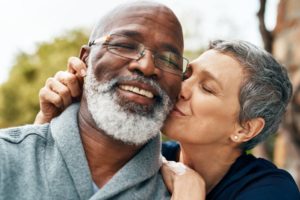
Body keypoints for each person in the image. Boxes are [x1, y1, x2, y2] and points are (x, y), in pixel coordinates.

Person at [37, 40, 300, 199]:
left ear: (245, 128)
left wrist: (189, 191)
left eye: (207, 88)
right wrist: (48, 123)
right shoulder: (145, 155)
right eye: (186, 75)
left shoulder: (272, 191)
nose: (181, 89)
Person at [0, 1, 189, 199]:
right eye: (125, 45)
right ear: (85, 60)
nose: (147, 66)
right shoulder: (7, 156)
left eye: (169, 60)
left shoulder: (183, 193)